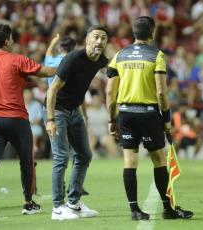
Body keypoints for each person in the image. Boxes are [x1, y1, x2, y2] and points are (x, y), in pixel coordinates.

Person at [106, 16, 193, 220]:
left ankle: (134, 210)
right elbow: (162, 93)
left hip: (126, 113)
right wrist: (167, 119)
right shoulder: (157, 56)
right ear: (152, 34)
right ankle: (167, 209)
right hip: (148, 114)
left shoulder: (119, 55)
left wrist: (112, 120)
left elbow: (110, 93)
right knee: (159, 160)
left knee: (129, 162)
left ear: (133, 34)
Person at [0, 24, 58, 219]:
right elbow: (47, 71)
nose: (15, 42)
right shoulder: (18, 60)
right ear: (7, 41)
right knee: (26, 162)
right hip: (17, 119)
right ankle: (28, 203)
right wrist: (71, 67)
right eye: (13, 39)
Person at [44, 25, 109, 220]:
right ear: (87, 40)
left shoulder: (101, 60)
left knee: (84, 154)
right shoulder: (72, 59)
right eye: (96, 37)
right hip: (57, 111)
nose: (100, 41)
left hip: (75, 111)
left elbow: (114, 71)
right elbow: (52, 90)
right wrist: (50, 120)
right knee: (61, 157)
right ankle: (57, 207)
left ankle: (74, 202)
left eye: (103, 38)